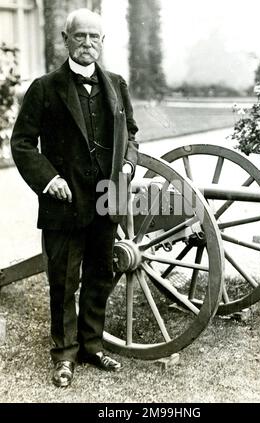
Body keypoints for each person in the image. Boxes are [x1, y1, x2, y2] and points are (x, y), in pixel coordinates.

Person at [10, 8, 139, 387]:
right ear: (65, 40)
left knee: (101, 273)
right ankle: (64, 354)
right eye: (79, 37)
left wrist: (128, 166)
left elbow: (131, 133)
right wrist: (48, 179)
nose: (87, 44)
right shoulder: (45, 87)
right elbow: (22, 143)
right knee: (65, 282)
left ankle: (92, 346)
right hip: (64, 201)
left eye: (94, 37)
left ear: (103, 42)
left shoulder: (116, 83)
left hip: (107, 196)